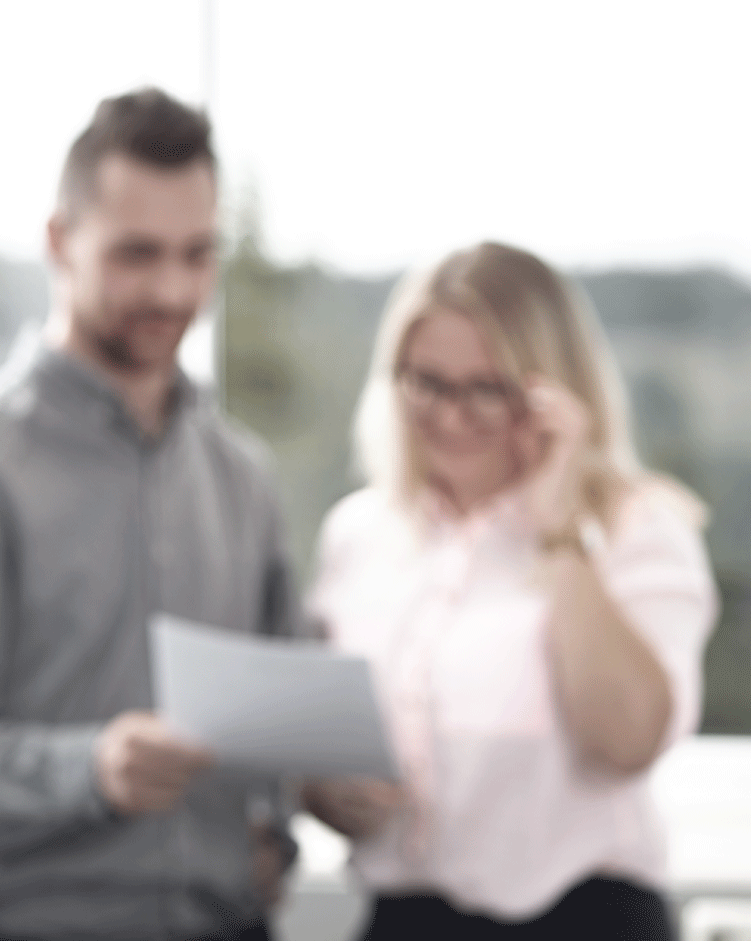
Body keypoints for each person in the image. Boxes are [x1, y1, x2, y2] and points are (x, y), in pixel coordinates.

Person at [0, 88, 297, 941]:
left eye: (196, 253)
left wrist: (273, 833)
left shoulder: (243, 475)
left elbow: (273, 713)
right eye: (136, 254)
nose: (172, 288)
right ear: (60, 243)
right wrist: (92, 769)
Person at [303, 242, 718, 941]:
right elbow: (316, 736)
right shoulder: (358, 533)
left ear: (548, 390)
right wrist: (329, 793)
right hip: (403, 919)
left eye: (485, 388)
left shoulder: (632, 530)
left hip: (584, 920)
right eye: (426, 382)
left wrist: (558, 523)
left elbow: (626, 739)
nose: (450, 415)